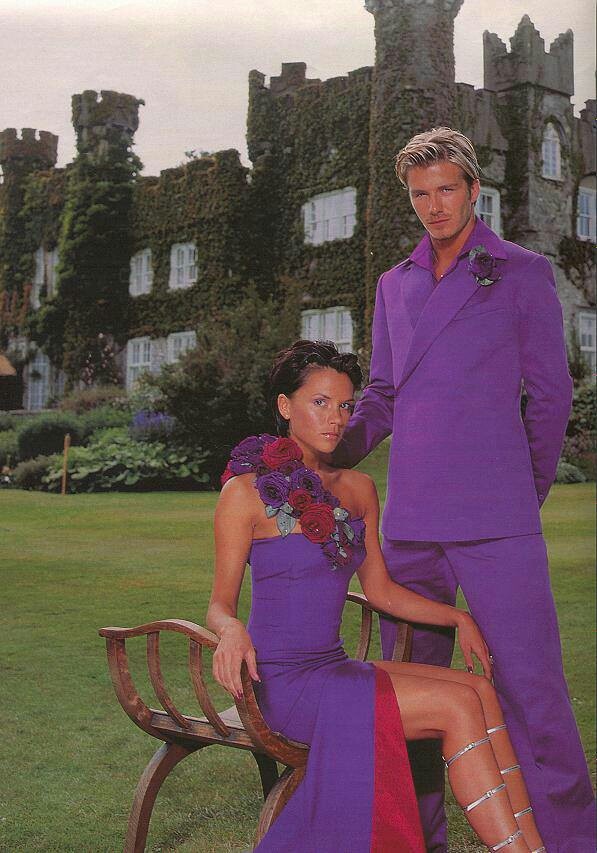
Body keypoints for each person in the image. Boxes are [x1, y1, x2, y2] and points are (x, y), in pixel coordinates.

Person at [333, 127, 595, 852]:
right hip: (411, 522)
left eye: (446, 189)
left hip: (496, 520)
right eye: (419, 195)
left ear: (473, 189)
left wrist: (523, 489)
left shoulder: (520, 272)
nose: (434, 206)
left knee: (531, 691)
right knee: (409, 693)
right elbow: (380, 393)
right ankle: (417, 839)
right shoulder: (394, 284)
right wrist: (326, 451)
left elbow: (549, 395)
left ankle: (572, 841)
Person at [208, 340, 546, 853]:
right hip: (283, 684)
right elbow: (219, 604)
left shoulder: (359, 489)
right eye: (319, 402)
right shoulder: (245, 493)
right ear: (285, 406)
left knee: (480, 692)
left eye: (345, 405)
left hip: (335, 668)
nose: (336, 418)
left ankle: (534, 844)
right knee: (457, 706)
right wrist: (230, 628)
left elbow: (380, 589)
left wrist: (457, 617)